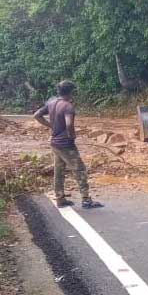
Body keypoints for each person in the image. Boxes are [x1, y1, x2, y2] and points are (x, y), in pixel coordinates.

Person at [33, 80, 103, 209]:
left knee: (58, 171)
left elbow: (37, 115)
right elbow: (69, 123)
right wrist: (72, 136)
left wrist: (51, 126)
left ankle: (60, 198)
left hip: (55, 143)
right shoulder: (68, 106)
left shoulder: (51, 103)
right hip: (66, 144)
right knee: (80, 169)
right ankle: (86, 200)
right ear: (71, 92)